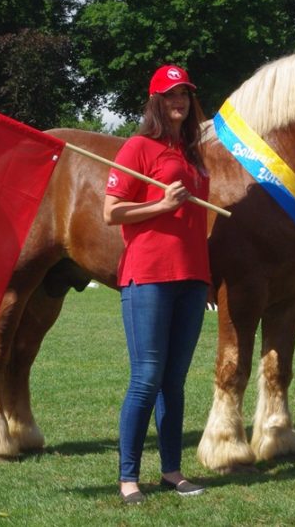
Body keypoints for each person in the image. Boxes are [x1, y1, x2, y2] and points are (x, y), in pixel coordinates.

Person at [103, 64, 210, 505]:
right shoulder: (137, 147)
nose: (178, 101)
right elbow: (111, 211)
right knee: (146, 378)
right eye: (169, 95)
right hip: (147, 275)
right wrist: (161, 205)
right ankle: (128, 478)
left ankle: (171, 472)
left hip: (193, 277)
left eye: (184, 93)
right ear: (156, 102)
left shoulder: (194, 153)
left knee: (175, 382)